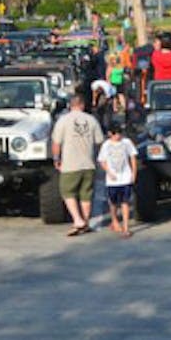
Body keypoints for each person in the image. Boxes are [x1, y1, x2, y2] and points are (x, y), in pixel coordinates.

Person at [51, 94, 105, 236]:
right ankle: (85, 221)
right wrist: (100, 159)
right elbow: (99, 142)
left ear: (70, 105)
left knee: (67, 191)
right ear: (82, 105)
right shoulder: (91, 120)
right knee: (86, 194)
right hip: (88, 163)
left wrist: (56, 158)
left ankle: (78, 219)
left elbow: (57, 142)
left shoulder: (63, 121)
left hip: (70, 163)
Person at [97, 128, 137, 238]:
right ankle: (114, 220)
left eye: (119, 133)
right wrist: (109, 172)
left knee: (125, 202)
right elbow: (102, 161)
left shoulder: (126, 142)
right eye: (115, 134)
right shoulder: (106, 145)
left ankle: (126, 227)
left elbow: (132, 157)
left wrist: (134, 173)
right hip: (112, 180)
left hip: (125, 177)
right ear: (110, 134)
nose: (118, 136)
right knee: (113, 202)